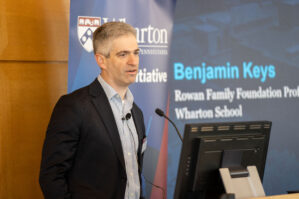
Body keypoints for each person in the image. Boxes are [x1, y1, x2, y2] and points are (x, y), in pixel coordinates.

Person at [39, 22, 146, 199]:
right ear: (101, 60)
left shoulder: (136, 111)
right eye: (123, 54)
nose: (133, 61)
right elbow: (51, 177)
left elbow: (133, 178)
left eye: (136, 53)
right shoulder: (74, 106)